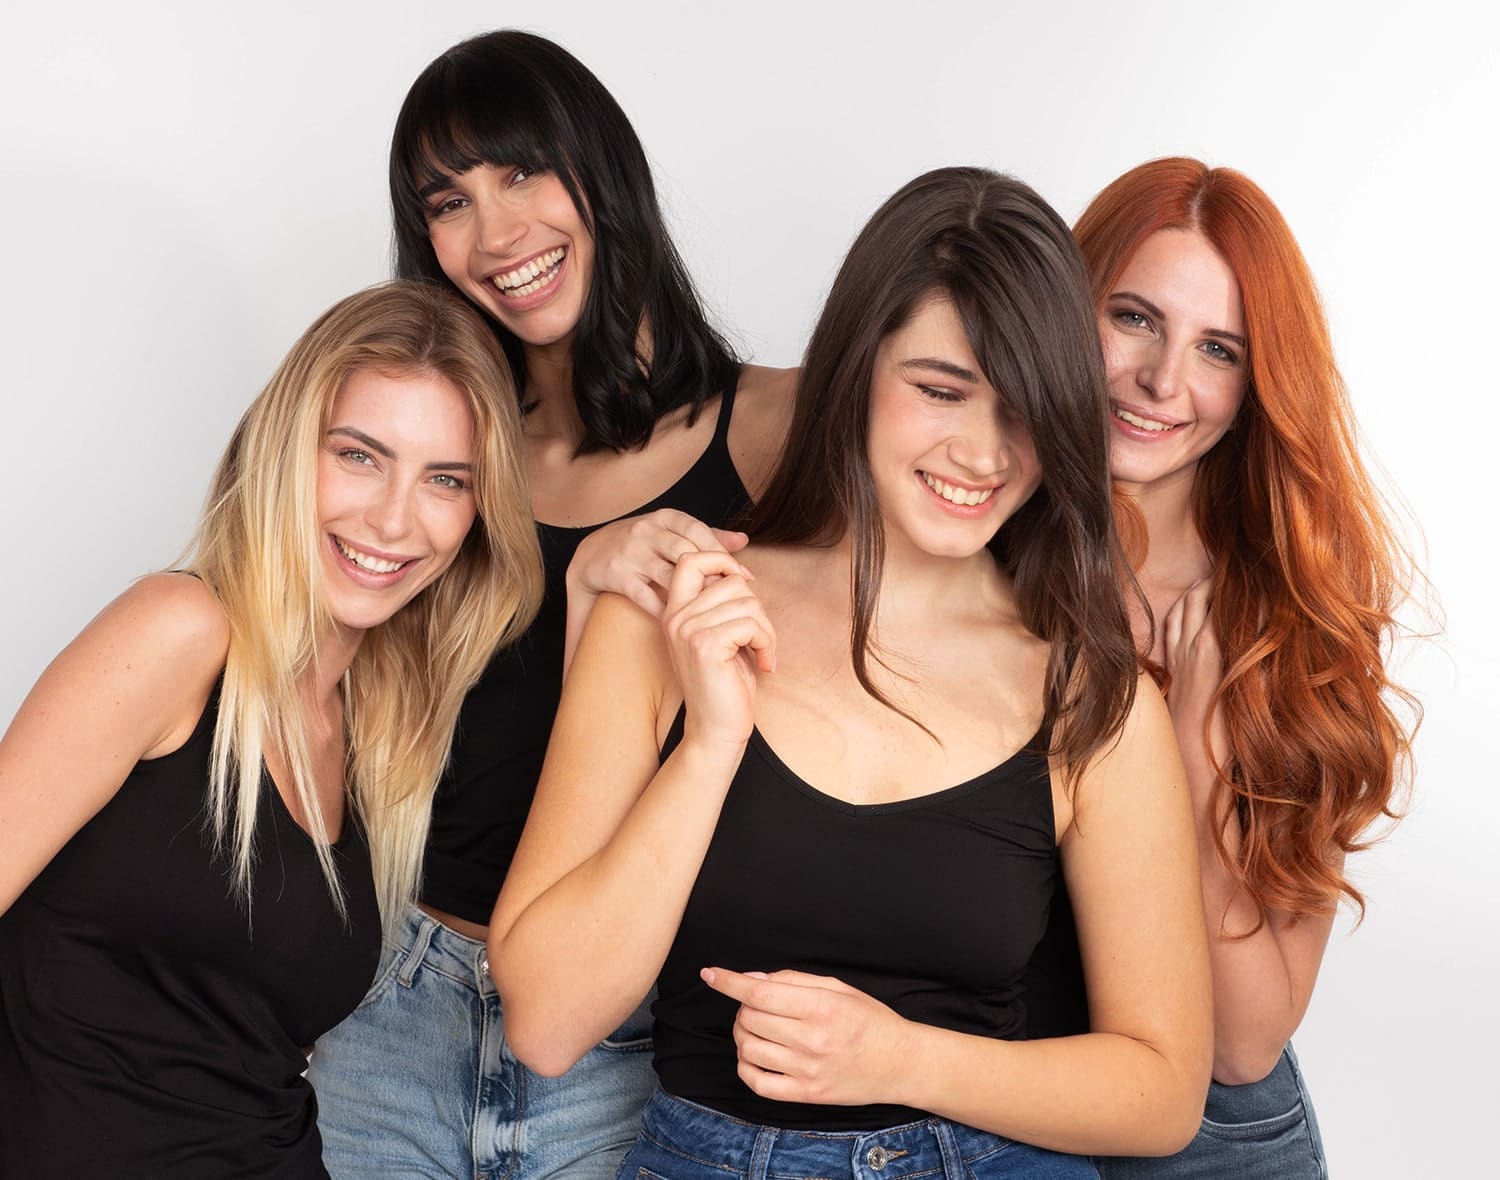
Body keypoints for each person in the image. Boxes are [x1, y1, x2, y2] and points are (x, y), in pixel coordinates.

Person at [489, 167, 1213, 1180]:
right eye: (940, 389)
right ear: (855, 370)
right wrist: (708, 747)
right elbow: (549, 1021)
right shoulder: (672, 610)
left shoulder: (1091, 692)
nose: (982, 451)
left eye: (1025, 410)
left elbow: (1165, 1089)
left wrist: (901, 1057)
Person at [306, 30, 794, 1180]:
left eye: (522, 171)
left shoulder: (777, 429)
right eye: (450, 200)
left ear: (599, 170)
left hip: (640, 1032)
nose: (497, 232)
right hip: (394, 1007)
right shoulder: (442, 459)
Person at [0, 280, 542, 1178]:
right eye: (361, 456)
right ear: (291, 448)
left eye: (446, 480)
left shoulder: (379, 737)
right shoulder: (180, 632)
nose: (395, 519)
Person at [1068, 157, 1417, 1178]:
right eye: (1133, 317)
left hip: (1214, 1145)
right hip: (986, 1119)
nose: (1163, 381)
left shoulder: (1286, 620)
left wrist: (1186, 756)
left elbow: (1245, 1041)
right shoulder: (960, 537)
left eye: (1217, 348)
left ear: (1258, 383)